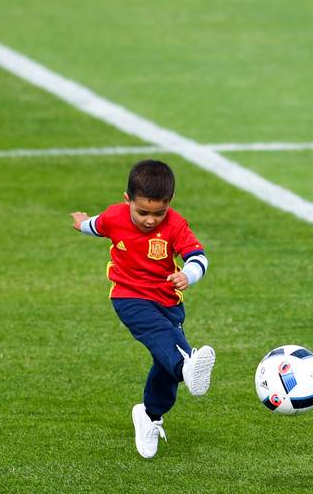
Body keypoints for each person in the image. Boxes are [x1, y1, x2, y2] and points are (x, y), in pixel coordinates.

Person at [71, 159, 215, 458]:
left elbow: (198, 257)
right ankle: (186, 365)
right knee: (164, 340)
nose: (150, 220)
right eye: (143, 213)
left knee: (166, 364)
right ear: (128, 200)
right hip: (129, 296)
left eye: (159, 213)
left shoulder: (176, 224)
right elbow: (96, 225)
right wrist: (82, 223)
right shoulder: (115, 216)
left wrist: (188, 275)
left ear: (169, 202)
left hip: (168, 301)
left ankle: (149, 415)